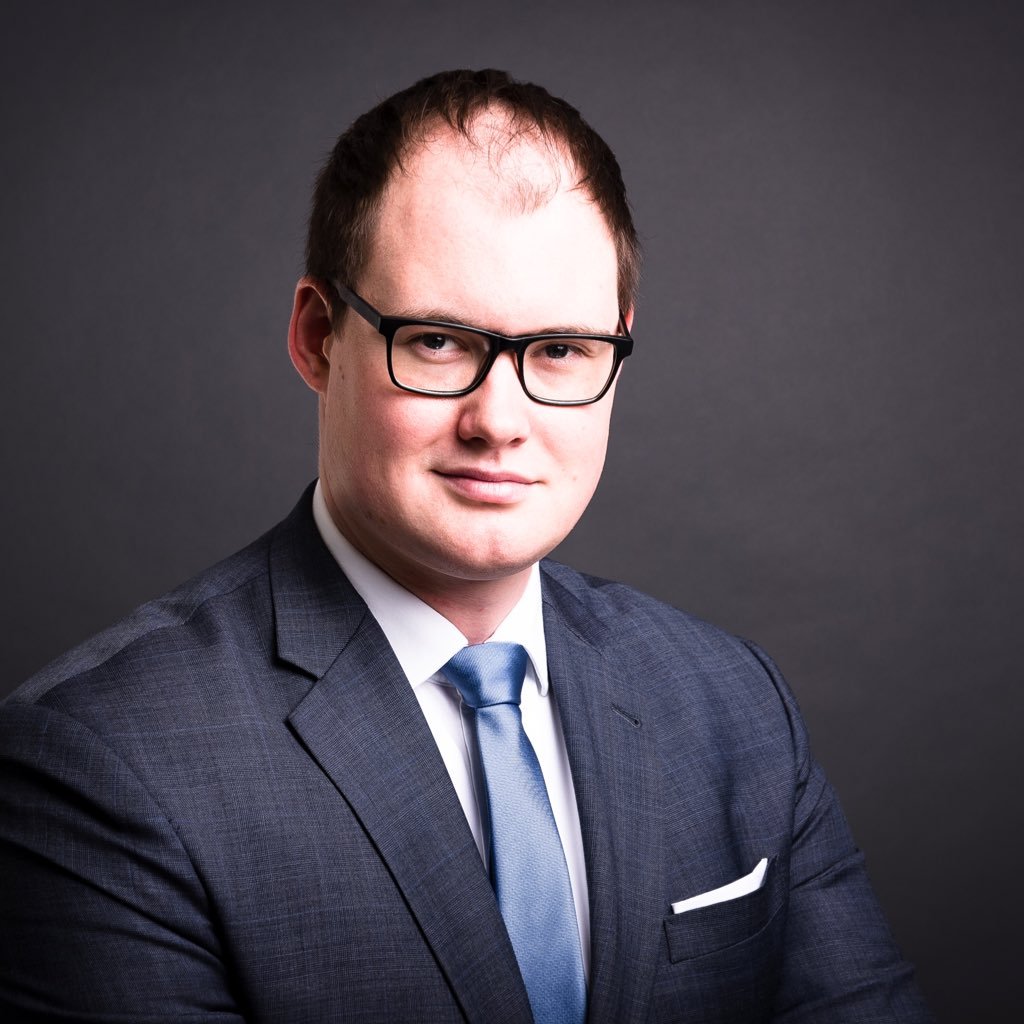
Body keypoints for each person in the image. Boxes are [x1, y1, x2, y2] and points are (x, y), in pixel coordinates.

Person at [0, 69, 931, 1023]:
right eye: (439, 342)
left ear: (616, 352)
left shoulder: (733, 702)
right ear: (318, 338)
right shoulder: (103, 765)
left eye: (560, 350)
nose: (500, 420)